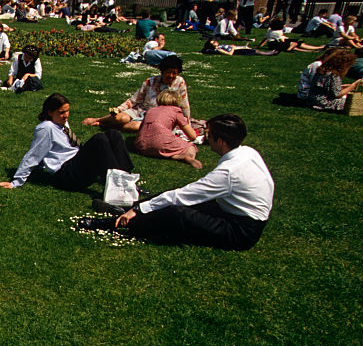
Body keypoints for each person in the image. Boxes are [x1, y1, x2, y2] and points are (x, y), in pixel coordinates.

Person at [105, 114, 273, 251]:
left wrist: (140, 209)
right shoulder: (248, 152)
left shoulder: (229, 171)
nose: (206, 137)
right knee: (180, 199)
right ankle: (126, 210)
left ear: (220, 141)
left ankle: (122, 223)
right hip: (233, 212)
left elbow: (182, 196)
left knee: (177, 213)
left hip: (240, 231)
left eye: (209, 134)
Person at [0, 93, 133, 192]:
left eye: (67, 111)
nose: (66, 115)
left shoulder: (61, 122)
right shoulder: (46, 128)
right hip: (66, 174)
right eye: (62, 112)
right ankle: (117, 187)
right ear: (50, 112)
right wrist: (16, 181)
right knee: (99, 139)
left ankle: (127, 181)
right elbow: (34, 155)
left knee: (113, 134)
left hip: (76, 163)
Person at [82, 55, 189, 133]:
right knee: (121, 118)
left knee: (137, 127)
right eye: (168, 72)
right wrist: (119, 109)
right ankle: (98, 120)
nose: (171, 75)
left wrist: (186, 122)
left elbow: (184, 104)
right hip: (140, 111)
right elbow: (133, 100)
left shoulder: (180, 83)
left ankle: (109, 126)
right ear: (162, 71)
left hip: (159, 117)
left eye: (174, 73)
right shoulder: (150, 82)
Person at [132, 90, 201, 168]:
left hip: (141, 145)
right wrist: (187, 123)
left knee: (158, 146)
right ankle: (188, 157)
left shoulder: (151, 110)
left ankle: (173, 155)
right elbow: (192, 136)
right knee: (190, 146)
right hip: (161, 142)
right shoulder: (176, 111)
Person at [306, 48, 363, 112]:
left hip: (313, 100)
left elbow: (327, 88)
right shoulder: (334, 75)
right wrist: (354, 85)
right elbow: (337, 94)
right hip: (325, 103)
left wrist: (344, 86)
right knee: (357, 101)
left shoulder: (324, 70)